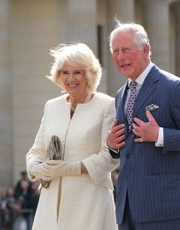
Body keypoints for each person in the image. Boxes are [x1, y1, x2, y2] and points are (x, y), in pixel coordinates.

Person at [107, 20, 180, 230]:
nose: (120, 57)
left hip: (165, 207)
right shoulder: (120, 95)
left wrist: (160, 135)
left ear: (146, 50)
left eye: (125, 50)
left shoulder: (174, 87)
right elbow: (130, 149)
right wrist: (112, 145)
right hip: (127, 208)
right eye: (115, 51)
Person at [26, 43, 119, 230]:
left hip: (90, 200)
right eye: (65, 72)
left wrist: (71, 168)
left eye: (77, 72)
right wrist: (37, 168)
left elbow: (110, 156)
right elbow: (36, 151)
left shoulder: (107, 105)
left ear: (90, 74)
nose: (70, 79)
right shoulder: (51, 106)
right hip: (51, 201)